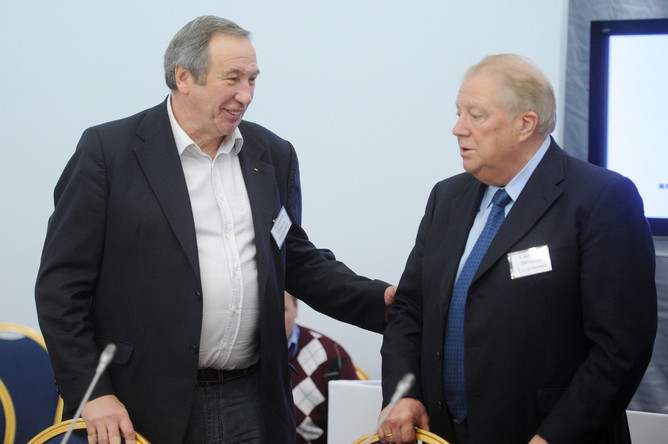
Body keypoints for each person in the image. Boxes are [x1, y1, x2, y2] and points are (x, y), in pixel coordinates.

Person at [35, 15, 395, 444]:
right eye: (233, 79)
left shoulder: (272, 154)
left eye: (252, 79)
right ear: (183, 77)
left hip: (253, 400)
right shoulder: (108, 153)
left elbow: (293, 258)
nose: (246, 95)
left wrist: (381, 302)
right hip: (141, 403)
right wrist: (92, 393)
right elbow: (61, 288)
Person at [378, 54, 657, 444]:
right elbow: (409, 309)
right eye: (458, 113)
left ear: (525, 124)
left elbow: (620, 348)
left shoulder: (600, 199)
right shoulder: (447, 197)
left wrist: (554, 438)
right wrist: (403, 392)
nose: (458, 129)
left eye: (476, 116)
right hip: (442, 433)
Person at [284, 291, 359, 443]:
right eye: (264, 309)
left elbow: (354, 427)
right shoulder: (240, 361)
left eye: (281, 309)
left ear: (296, 308)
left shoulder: (331, 356)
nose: (271, 317)